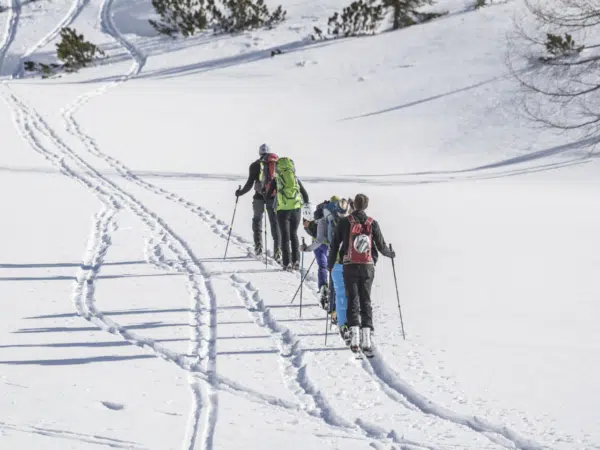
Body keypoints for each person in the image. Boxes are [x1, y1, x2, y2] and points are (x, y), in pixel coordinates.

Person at [327, 193, 395, 354]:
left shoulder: (345, 222)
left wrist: (330, 265)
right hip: (367, 267)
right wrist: (391, 254)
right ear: (366, 206)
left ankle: (355, 338)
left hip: (349, 266)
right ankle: (367, 338)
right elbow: (381, 246)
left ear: (354, 205)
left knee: (353, 299)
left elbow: (335, 244)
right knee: (366, 300)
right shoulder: (372, 223)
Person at [235, 143, 281, 261]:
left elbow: (250, 184)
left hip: (259, 197)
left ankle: (259, 248)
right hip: (273, 197)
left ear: (259, 153)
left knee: (257, 220)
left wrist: (240, 193)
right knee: (274, 223)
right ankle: (277, 251)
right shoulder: (277, 164)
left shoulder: (255, 165)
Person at [266, 157, 309, 271]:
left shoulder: (277, 180)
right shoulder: (295, 179)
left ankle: (286, 263)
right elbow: (305, 195)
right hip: (296, 210)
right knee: (294, 234)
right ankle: (296, 261)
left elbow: (267, 195)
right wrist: (304, 207)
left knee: (285, 236)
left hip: (283, 210)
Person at [301, 196, 342, 308]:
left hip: (318, 245)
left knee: (322, 266)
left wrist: (307, 248)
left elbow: (318, 239)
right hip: (332, 246)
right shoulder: (340, 214)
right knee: (334, 271)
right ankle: (335, 300)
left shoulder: (320, 214)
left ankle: (323, 287)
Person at [324, 197, 352, 344]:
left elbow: (331, 242)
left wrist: (330, 263)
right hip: (351, 262)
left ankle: (336, 315)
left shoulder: (330, 217)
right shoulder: (352, 221)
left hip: (336, 261)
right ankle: (350, 322)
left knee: (338, 290)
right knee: (349, 292)